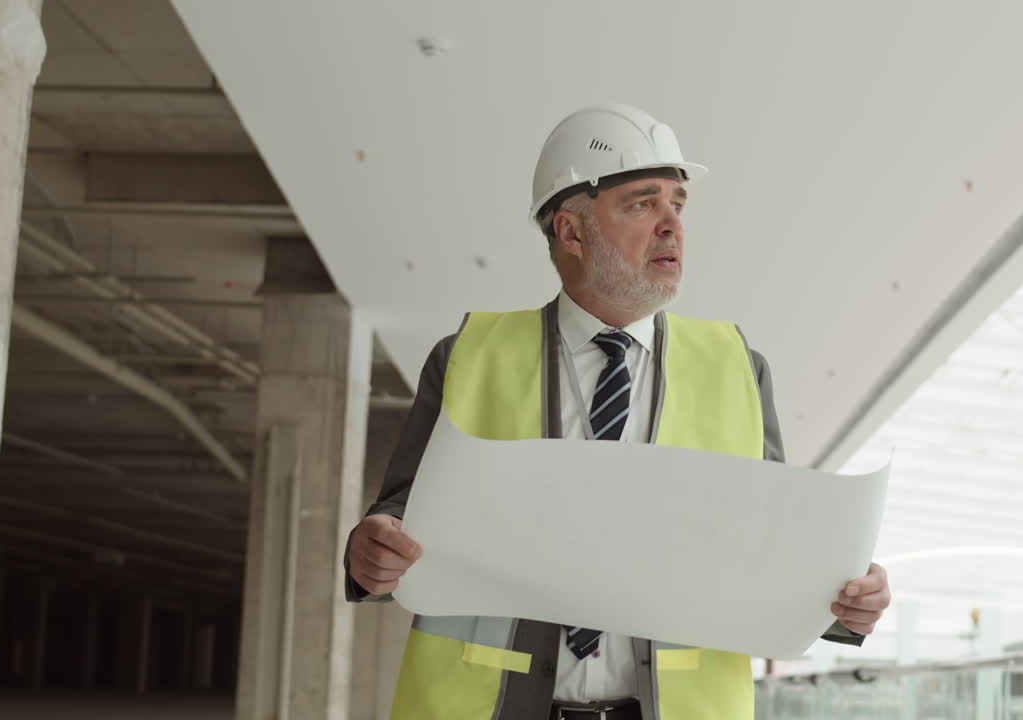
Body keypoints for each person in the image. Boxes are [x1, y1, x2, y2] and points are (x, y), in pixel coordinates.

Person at [343, 104, 891, 720]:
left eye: (677, 205)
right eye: (641, 204)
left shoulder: (739, 368)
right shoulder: (468, 357)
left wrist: (846, 608)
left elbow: (772, 556)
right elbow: (394, 516)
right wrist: (368, 553)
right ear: (571, 231)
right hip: (489, 706)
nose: (671, 227)